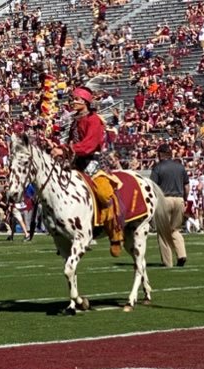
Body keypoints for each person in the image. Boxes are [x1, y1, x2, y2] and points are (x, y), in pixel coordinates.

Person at [50, 86, 123, 257]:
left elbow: (89, 145)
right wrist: (56, 148)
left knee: (105, 194)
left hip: (93, 162)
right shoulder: (75, 120)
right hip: (76, 161)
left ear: (86, 102)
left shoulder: (94, 120)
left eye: (77, 99)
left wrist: (66, 151)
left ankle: (115, 233)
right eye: (73, 99)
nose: (73, 102)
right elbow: (70, 142)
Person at [150, 144, 189, 267]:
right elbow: (187, 186)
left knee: (163, 232)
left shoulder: (158, 168)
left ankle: (168, 262)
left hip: (164, 200)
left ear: (160, 154)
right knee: (175, 229)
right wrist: (185, 199)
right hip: (179, 199)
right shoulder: (180, 167)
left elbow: (153, 186)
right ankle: (181, 254)